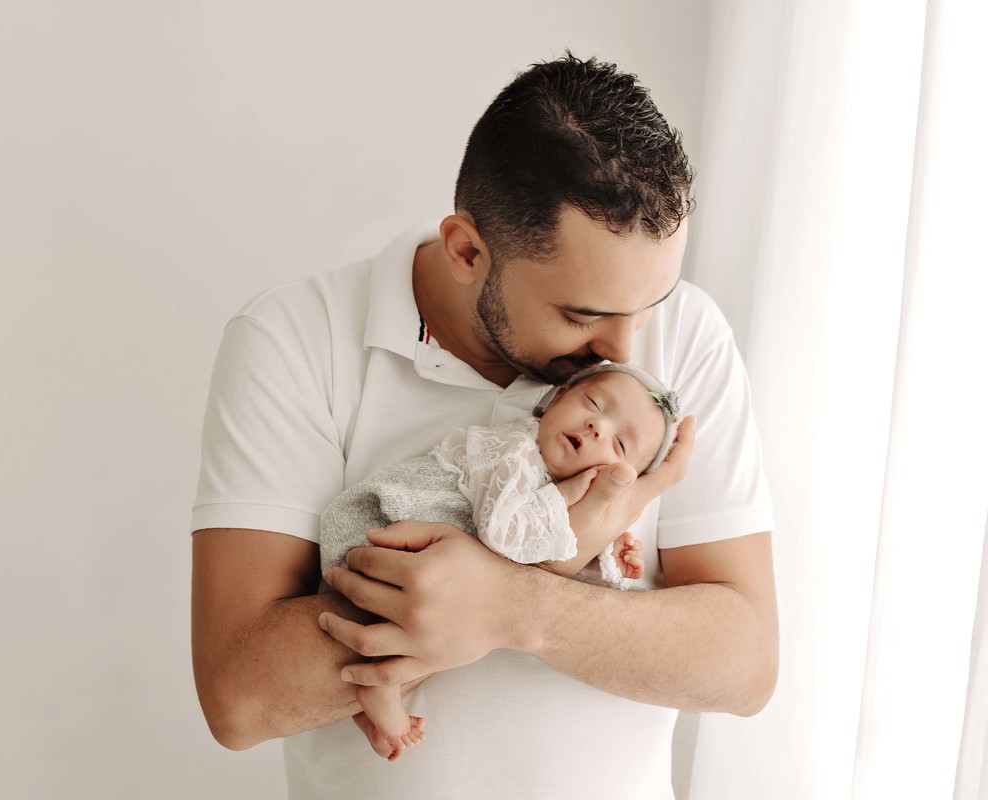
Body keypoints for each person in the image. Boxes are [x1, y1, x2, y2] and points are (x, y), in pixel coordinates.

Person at [192, 53, 777, 799]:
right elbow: (239, 697)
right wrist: (466, 598)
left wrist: (512, 605)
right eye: (582, 314)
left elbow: (748, 661)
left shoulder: (689, 334)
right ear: (468, 250)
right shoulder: (295, 340)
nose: (627, 353)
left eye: (650, 304)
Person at [320, 362, 683, 761]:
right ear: (555, 398)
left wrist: (608, 555)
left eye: (619, 445)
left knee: (433, 608)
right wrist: (562, 502)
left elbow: (545, 561)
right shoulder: (516, 450)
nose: (599, 427)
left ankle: (369, 714)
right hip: (381, 521)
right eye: (594, 403)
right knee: (418, 607)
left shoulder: (554, 484)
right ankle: (380, 689)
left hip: (415, 554)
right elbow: (505, 537)